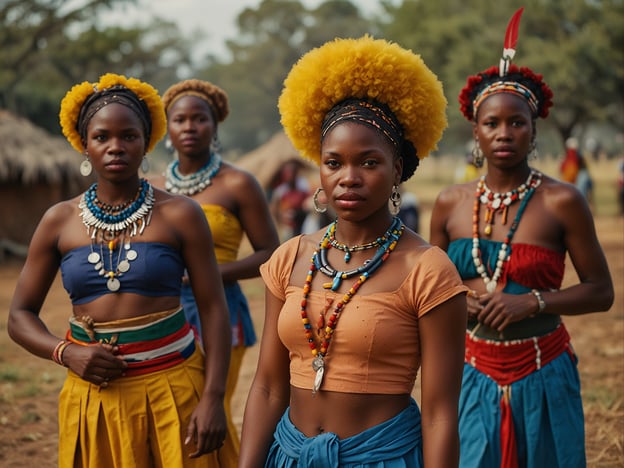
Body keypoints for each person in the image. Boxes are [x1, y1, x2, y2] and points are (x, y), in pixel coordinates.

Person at [239, 36, 468, 467]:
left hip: (381, 457)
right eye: (334, 162)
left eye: (368, 162)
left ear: (397, 169)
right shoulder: (290, 258)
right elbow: (269, 386)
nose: (349, 177)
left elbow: (439, 415)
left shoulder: (428, 269)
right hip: (289, 455)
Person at [7, 73, 233, 466]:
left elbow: (213, 308)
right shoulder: (58, 221)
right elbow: (19, 316)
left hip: (176, 386)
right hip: (95, 397)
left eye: (128, 136)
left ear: (146, 142)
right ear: (84, 144)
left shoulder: (181, 214)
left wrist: (213, 398)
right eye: (102, 137)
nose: (116, 147)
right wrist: (67, 353)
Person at [429, 8, 614, 467]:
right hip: (467, 370)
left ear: (534, 132)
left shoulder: (562, 200)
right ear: (476, 131)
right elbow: (428, 289)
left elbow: (602, 292)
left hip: (543, 369)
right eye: (492, 123)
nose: (504, 133)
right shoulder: (450, 203)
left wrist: (533, 302)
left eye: (517, 123)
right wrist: (459, 300)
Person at [151, 78, 280, 466]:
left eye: (200, 119)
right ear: (167, 130)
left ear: (215, 125)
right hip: (162, 314)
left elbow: (271, 253)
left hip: (220, 312)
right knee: (171, 409)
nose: (190, 127)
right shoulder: (151, 186)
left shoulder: (238, 184)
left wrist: (211, 274)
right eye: (180, 119)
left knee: (209, 410)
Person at [270, 160, 311, 239]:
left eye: (292, 172)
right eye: (288, 173)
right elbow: (274, 209)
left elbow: (309, 201)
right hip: (290, 225)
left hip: (304, 219)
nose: (290, 175)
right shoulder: (281, 191)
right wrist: (281, 219)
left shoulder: (303, 185)